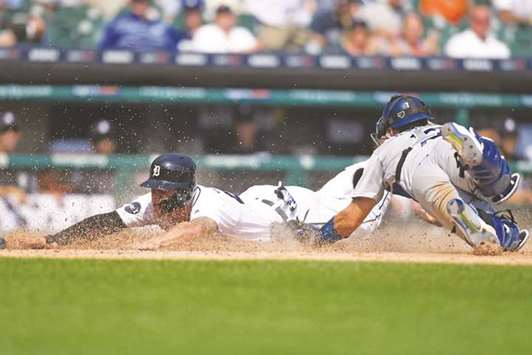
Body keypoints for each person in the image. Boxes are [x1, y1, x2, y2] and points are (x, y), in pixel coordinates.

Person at [0, 153, 390, 250]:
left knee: (364, 216)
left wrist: (155, 242)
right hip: (264, 201)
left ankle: (397, 167)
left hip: (300, 214)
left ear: (184, 190)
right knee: (359, 176)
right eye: (154, 186)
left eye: (164, 188)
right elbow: (109, 220)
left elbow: (197, 228)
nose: (155, 194)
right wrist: (55, 241)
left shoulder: (207, 207)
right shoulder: (160, 203)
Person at [309, 95, 528, 254]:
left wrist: (317, 239)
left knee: (450, 206)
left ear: (391, 128)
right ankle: (488, 171)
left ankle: (484, 227)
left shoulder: (383, 151)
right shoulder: (439, 128)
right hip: (445, 145)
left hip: (417, 172)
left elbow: (350, 220)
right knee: (487, 181)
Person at [99, 0, 187, 53]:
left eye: (142, 2)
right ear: (131, 3)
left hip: (156, 70)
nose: (139, 5)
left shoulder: (161, 26)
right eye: (136, 2)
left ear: (147, 3)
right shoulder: (119, 24)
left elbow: (174, 49)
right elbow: (103, 50)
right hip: (125, 70)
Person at [444, 5, 510, 59]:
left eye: (486, 21)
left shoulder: (498, 45)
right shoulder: (457, 42)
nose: (483, 25)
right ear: (471, 21)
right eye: (479, 21)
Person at [190, 4, 257, 53]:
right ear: (215, 18)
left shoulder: (242, 32)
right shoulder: (205, 31)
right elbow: (200, 53)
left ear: (234, 18)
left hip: (240, 70)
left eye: (228, 16)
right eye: (222, 17)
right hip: (210, 70)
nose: (225, 20)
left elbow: (255, 49)